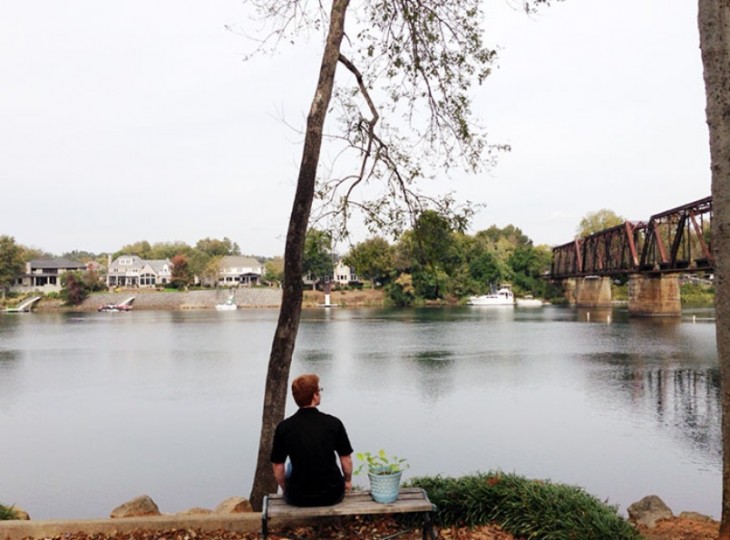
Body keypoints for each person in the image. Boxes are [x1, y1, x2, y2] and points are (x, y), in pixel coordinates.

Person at [270, 373, 353, 506]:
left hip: (297, 498)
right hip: (332, 495)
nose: (320, 393)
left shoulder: (284, 427)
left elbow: (278, 466)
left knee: (290, 465)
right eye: (319, 391)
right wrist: (347, 481)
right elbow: (346, 459)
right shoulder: (333, 423)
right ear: (314, 396)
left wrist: (287, 490)